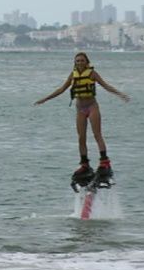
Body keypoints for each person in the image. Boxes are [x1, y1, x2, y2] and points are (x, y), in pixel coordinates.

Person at [34, 52, 130, 185]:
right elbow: (61, 89)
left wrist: (120, 94)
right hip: (80, 109)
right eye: (77, 61)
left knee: (97, 134)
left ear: (87, 62)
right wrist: (45, 99)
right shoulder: (73, 75)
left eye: (82, 60)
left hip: (92, 107)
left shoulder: (92, 74)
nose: (79, 63)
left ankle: (104, 162)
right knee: (81, 137)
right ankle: (84, 164)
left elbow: (106, 86)